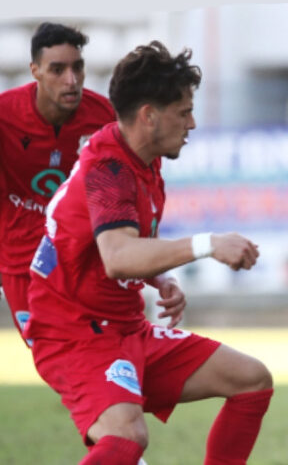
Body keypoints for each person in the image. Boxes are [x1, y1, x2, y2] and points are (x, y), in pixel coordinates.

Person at [25, 41, 273, 465]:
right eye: (183, 112)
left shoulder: (141, 158)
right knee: (126, 437)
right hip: (75, 333)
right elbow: (117, 256)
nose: (192, 123)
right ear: (149, 116)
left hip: (123, 325)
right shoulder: (108, 167)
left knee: (251, 380)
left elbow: (109, 247)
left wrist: (158, 277)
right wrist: (208, 244)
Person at [0, 22, 115, 346]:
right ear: (34, 70)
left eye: (78, 67)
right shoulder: (4, 115)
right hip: (20, 262)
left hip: (80, 258)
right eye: (57, 69)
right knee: (52, 353)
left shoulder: (103, 117)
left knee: (99, 350)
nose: (71, 80)